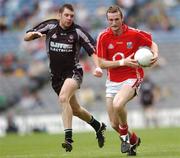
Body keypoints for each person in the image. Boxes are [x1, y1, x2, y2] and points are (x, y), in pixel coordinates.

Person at [24, 4, 106, 152]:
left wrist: (98, 67)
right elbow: (27, 35)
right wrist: (33, 35)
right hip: (56, 77)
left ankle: (68, 139)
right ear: (60, 15)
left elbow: (93, 51)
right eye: (66, 15)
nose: (69, 18)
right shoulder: (50, 25)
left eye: (72, 16)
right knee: (75, 109)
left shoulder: (78, 31)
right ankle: (98, 127)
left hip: (73, 72)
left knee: (63, 98)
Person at [96, 5, 158, 156]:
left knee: (118, 104)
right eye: (110, 20)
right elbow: (102, 63)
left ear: (122, 18)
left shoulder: (134, 33)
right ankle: (134, 139)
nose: (114, 22)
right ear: (107, 20)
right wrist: (123, 62)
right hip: (112, 82)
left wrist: (155, 54)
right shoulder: (103, 37)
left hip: (132, 76)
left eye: (117, 19)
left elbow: (152, 43)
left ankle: (124, 139)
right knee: (113, 124)